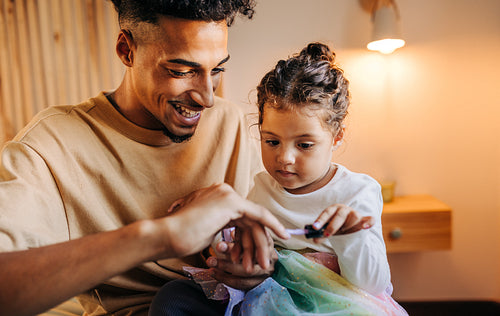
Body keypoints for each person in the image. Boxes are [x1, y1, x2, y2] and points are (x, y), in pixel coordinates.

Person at [0, 1, 291, 315]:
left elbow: (279, 238)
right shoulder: (50, 146)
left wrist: (259, 265)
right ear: (127, 50)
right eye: (181, 71)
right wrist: (163, 236)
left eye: (217, 69)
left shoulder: (230, 122)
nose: (207, 97)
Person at [170, 42, 407, 315]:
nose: (284, 158)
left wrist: (351, 238)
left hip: (335, 303)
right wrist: (225, 239)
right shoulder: (262, 188)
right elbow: (244, 250)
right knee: (173, 296)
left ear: (337, 136)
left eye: (304, 145)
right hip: (268, 296)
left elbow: (373, 284)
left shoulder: (357, 192)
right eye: (272, 141)